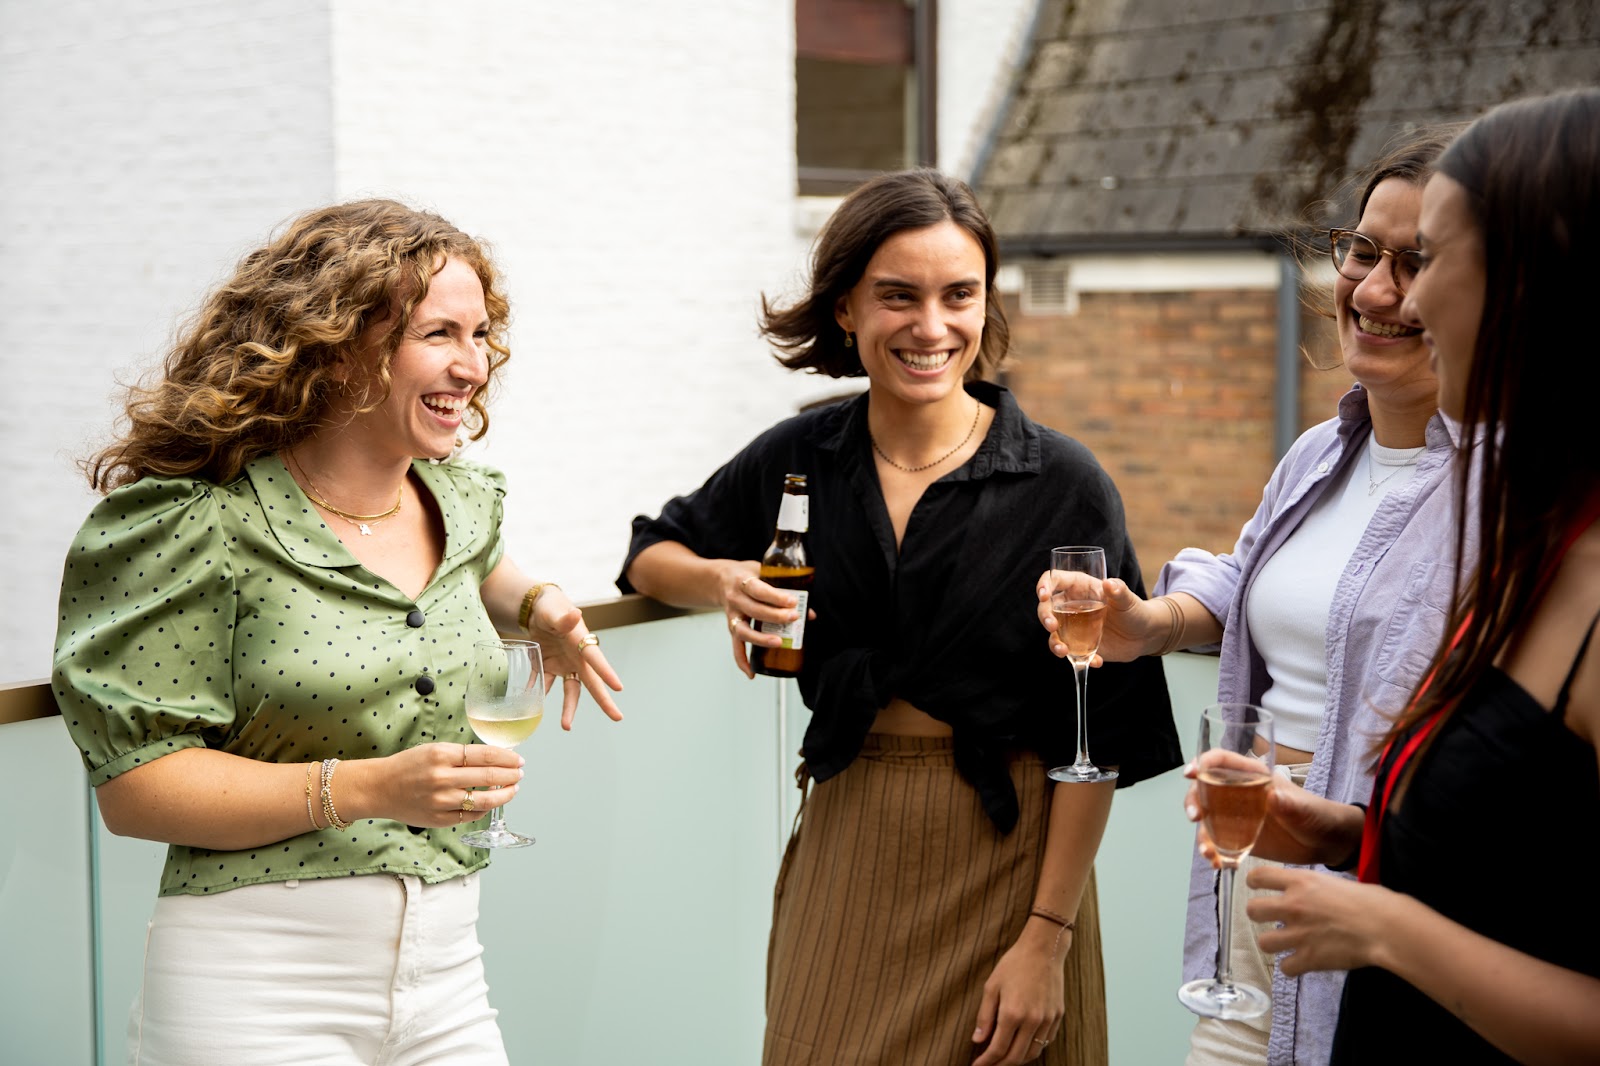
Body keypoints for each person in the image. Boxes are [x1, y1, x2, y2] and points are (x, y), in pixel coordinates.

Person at [620, 169, 1180, 1066]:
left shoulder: (1063, 484)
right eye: (897, 297)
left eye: (959, 295)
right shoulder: (804, 454)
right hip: (849, 826)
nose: (931, 327)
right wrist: (725, 581)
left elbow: (1099, 729)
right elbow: (654, 548)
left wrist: (1048, 937)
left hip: (1009, 852)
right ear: (846, 309)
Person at [52, 199, 624, 1064]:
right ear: (337, 346)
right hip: (252, 991)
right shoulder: (196, 525)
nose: (472, 366)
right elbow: (135, 789)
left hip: (449, 979)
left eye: (480, 336)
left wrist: (541, 606)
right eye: (439, 334)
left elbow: (475, 562)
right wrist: (371, 788)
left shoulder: (455, 500)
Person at [1037, 130, 1461, 1065]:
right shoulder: (1318, 454)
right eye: (1362, 250)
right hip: (1254, 856)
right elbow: (1251, 582)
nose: (1375, 290)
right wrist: (1147, 624)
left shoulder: (1502, 494)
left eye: (1417, 262)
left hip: (1384, 878)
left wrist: (1336, 824)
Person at [1194, 87, 1600, 1064]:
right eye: (1368, 255)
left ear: (1528, 283)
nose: (1398, 298)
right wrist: (1346, 831)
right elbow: (1520, 858)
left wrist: (1381, 928)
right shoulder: (1539, 542)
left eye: (1429, 258)